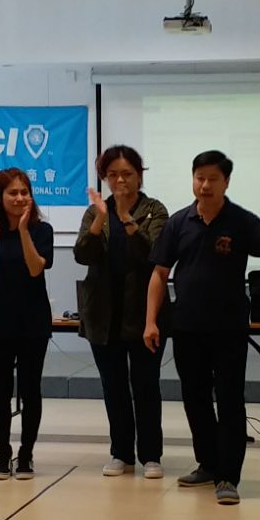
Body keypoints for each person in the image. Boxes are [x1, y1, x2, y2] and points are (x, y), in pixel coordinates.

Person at [145, 150, 260, 506]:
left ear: (226, 182)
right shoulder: (178, 222)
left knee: (230, 400)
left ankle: (228, 476)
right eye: (199, 177)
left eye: (213, 179)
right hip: (186, 327)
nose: (205, 185)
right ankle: (208, 464)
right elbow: (159, 274)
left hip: (229, 329)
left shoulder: (241, 221)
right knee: (195, 399)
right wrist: (150, 322)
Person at [75, 145, 169, 479]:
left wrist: (128, 219)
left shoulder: (154, 209)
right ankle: (121, 453)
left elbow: (154, 254)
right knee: (113, 386)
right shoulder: (96, 212)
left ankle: (151, 455)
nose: (120, 180)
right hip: (104, 314)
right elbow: (82, 254)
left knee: (146, 385)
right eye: (112, 174)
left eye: (127, 174)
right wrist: (101, 218)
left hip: (145, 313)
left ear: (139, 176)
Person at [0, 168, 55, 480]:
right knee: (1, 391)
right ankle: (2, 453)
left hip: (33, 322)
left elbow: (36, 269)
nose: (20, 198)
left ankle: (26, 454)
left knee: (31, 389)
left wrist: (23, 231)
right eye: (13, 193)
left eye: (25, 192)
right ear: (0, 197)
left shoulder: (42, 231)